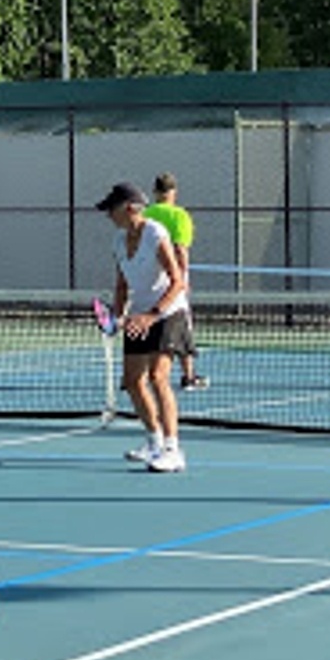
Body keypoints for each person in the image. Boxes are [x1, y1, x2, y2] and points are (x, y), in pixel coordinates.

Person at [96, 182, 191, 473]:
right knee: (134, 380)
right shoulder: (118, 241)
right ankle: (154, 441)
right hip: (139, 314)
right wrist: (117, 314)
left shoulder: (155, 234)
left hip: (169, 311)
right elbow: (122, 283)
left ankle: (173, 451)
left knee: (158, 376)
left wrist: (152, 315)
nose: (108, 215)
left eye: (111, 209)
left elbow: (178, 281)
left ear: (129, 208)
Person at [144, 172, 209, 391]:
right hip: (172, 279)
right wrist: (181, 278)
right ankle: (188, 376)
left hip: (147, 277)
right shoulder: (179, 215)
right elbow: (181, 249)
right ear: (173, 192)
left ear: (155, 192)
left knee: (148, 321)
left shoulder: (145, 214)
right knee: (182, 325)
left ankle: (142, 374)